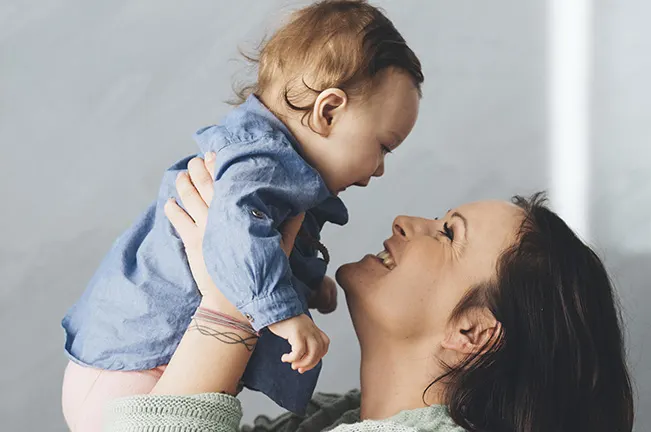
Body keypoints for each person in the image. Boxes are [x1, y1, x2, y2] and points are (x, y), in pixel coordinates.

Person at [61, 1, 423, 429]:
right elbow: (235, 238)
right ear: (328, 111)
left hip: (134, 366)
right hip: (134, 373)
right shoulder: (260, 162)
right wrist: (285, 313)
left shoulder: (274, 166)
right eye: (383, 146)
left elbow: (265, 246)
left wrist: (309, 287)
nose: (380, 169)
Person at [104, 156, 634, 432]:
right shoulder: (329, 419)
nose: (407, 222)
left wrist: (231, 305)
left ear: (471, 331)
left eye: (449, 234)